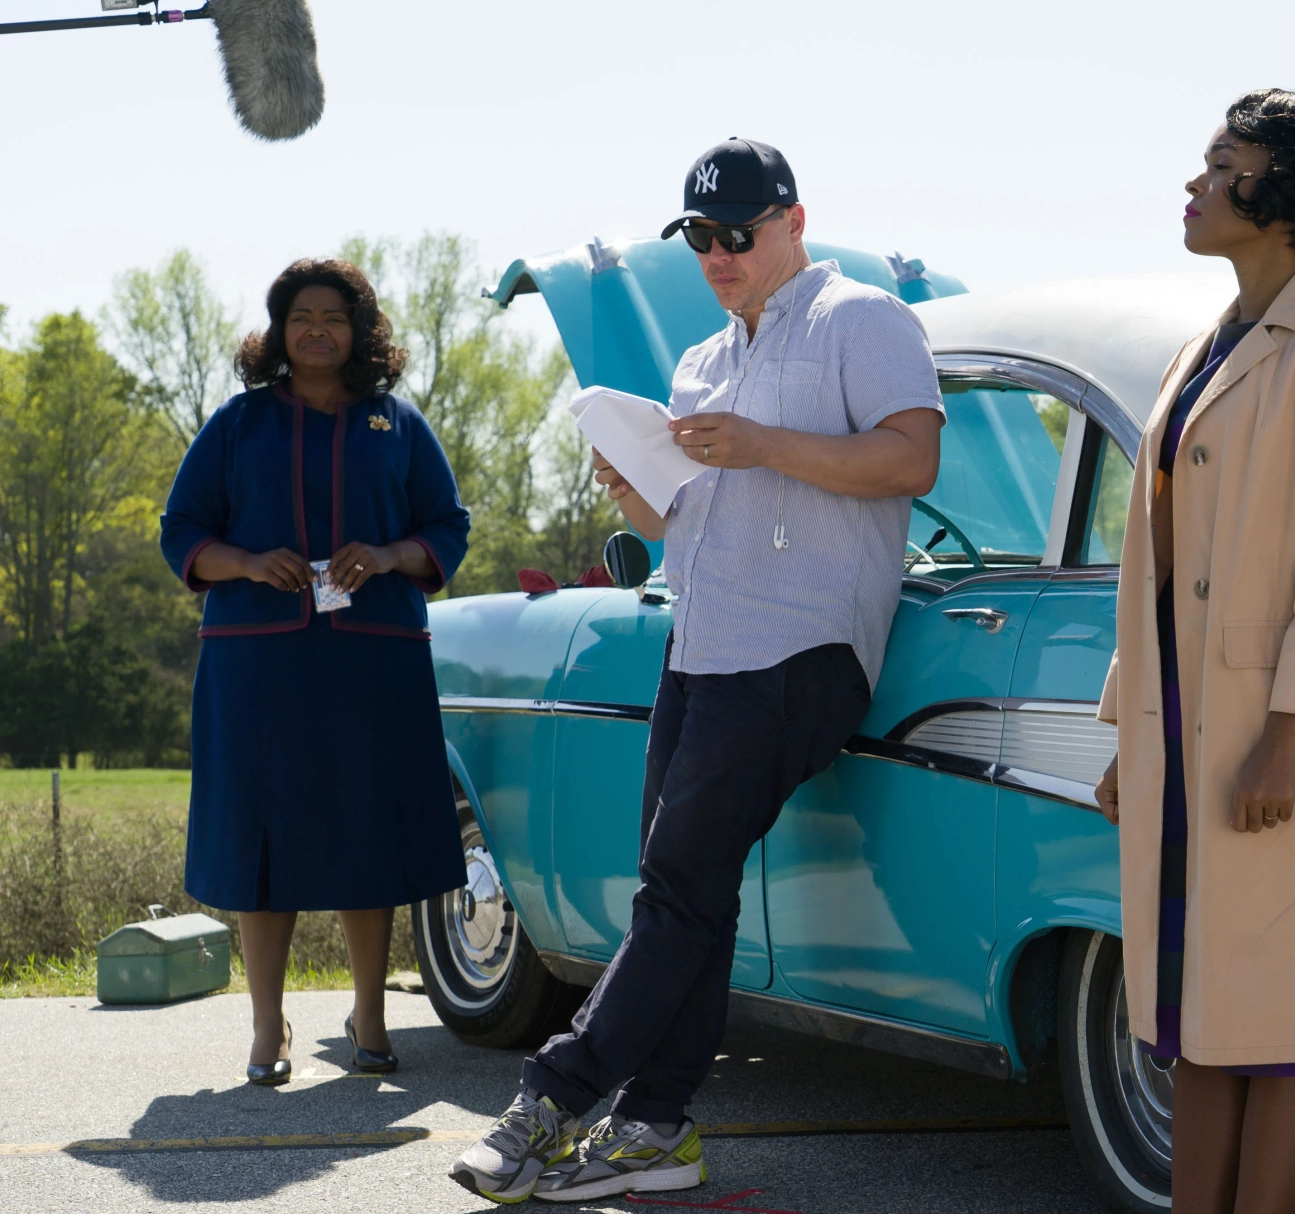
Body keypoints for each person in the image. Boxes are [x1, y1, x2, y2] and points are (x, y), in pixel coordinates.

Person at [450, 138, 944, 1204]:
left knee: (675, 892)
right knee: (685, 899)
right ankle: (657, 1126)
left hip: (802, 653)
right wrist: (637, 488)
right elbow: (693, 525)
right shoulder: (699, 361)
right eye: (701, 237)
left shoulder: (864, 318)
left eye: (739, 233)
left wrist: (762, 443)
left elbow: (911, 458)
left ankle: (547, 1100)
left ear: (793, 221)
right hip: (700, 646)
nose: (718, 253)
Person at [1090, 89, 1295, 1213]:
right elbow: (1158, 564)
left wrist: (1289, 734)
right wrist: (1131, 727)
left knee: (1285, 1025)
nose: (1194, 182)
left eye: (1220, 162)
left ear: (1283, 193)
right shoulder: (1204, 347)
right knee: (1201, 1021)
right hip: (1187, 739)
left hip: (1289, 746)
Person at [159, 259, 471, 1086]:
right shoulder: (236, 424)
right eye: (301, 317)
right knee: (264, 848)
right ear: (278, 331)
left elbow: (447, 525)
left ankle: (369, 1015)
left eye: (334, 317)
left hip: (374, 666)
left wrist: (395, 552)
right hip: (258, 670)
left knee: (367, 837)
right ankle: (268, 1026)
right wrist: (249, 564)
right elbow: (181, 529)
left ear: (360, 332)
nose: (317, 330)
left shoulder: (396, 424)